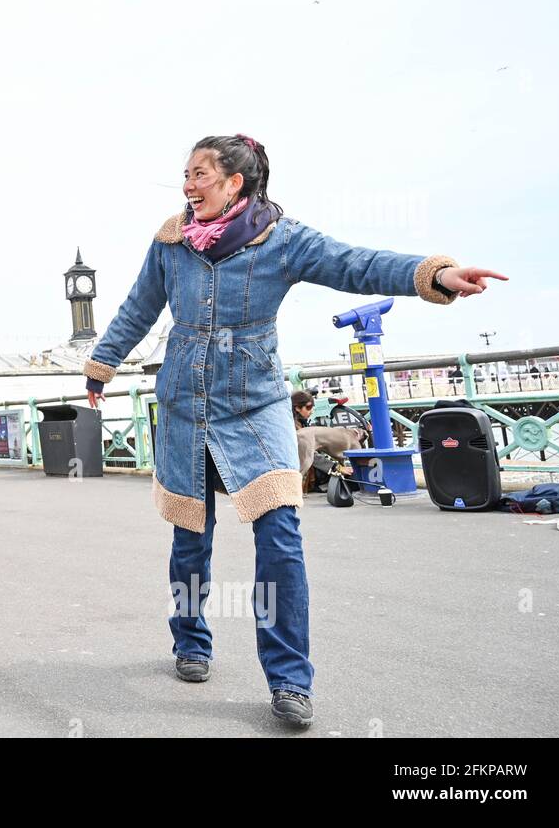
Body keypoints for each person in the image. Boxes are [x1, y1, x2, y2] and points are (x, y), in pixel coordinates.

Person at [84, 133, 507, 727]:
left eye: (200, 173)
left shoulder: (281, 239)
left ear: (236, 182)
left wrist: (434, 274)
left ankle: (288, 679)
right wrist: (101, 365)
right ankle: (190, 639)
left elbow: (354, 262)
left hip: (255, 404)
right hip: (185, 405)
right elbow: (138, 305)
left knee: (281, 535)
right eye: (185, 173)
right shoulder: (171, 240)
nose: (187, 184)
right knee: (190, 537)